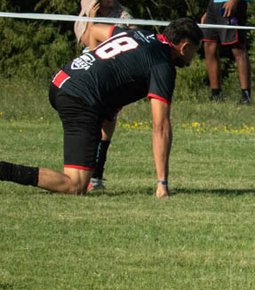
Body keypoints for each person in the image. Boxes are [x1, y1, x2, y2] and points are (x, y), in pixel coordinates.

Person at [2, 17, 201, 198]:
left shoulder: (139, 34)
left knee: (110, 114)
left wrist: (95, 65)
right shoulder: (162, 64)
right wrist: (162, 183)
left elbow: (94, 30)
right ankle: (5, 170)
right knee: (75, 185)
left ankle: (96, 178)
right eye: (195, 50)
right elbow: (161, 126)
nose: (194, 57)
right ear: (185, 47)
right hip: (79, 98)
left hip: (62, 80)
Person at [72, 0, 132, 192]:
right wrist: (91, 20)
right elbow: (90, 45)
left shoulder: (123, 17)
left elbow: (132, 39)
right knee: (92, 124)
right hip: (91, 76)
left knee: (108, 124)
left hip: (115, 74)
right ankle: (85, 174)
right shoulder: (84, 21)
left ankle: (97, 175)